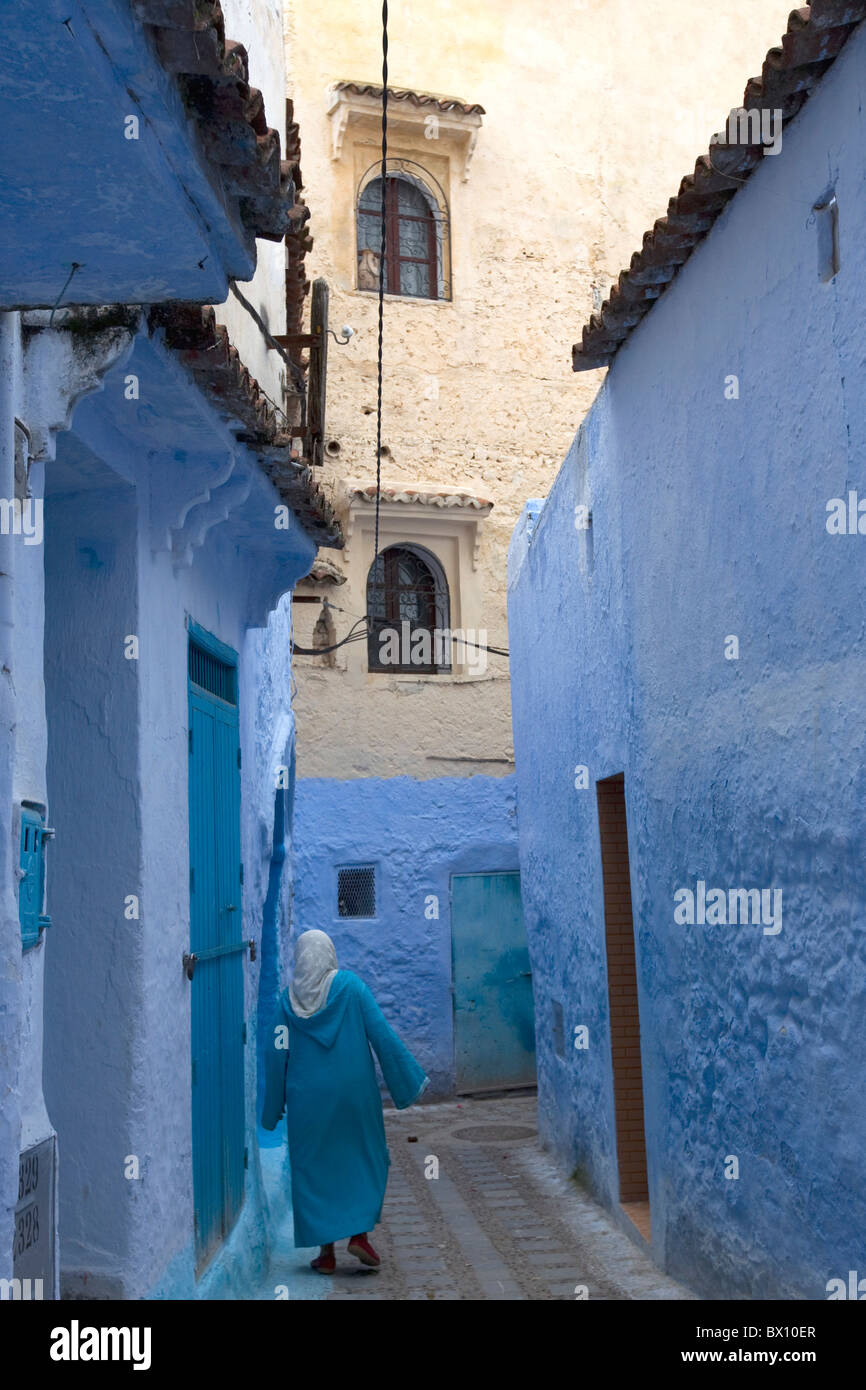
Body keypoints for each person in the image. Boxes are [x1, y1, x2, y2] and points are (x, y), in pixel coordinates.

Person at [262, 929, 428, 1273]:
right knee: (362, 1157)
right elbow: (381, 1034)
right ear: (329, 956)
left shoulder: (284, 1003)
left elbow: (277, 1054)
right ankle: (359, 1236)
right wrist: (407, 1080)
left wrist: (272, 1108)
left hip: (307, 1101)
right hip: (354, 1096)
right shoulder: (351, 988)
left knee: (315, 1169)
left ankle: (326, 1254)